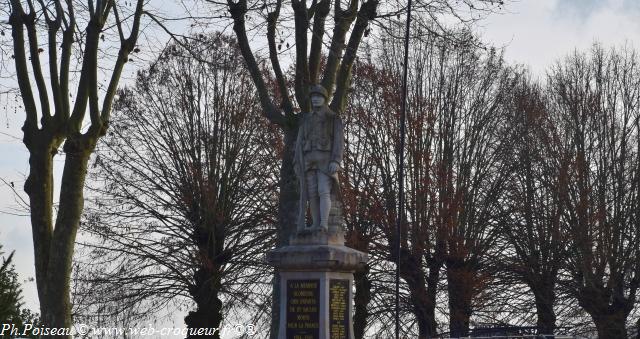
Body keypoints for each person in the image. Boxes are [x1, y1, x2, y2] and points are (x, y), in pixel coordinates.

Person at [294, 84, 344, 231]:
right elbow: (299, 142)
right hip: (308, 161)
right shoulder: (306, 119)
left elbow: (338, 141)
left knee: (323, 191)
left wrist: (336, 160)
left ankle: (323, 224)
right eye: (313, 97)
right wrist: (297, 162)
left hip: (326, 160)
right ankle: (316, 224)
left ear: (324, 99)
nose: (315, 99)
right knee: (312, 194)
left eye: (319, 97)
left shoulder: (333, 118)